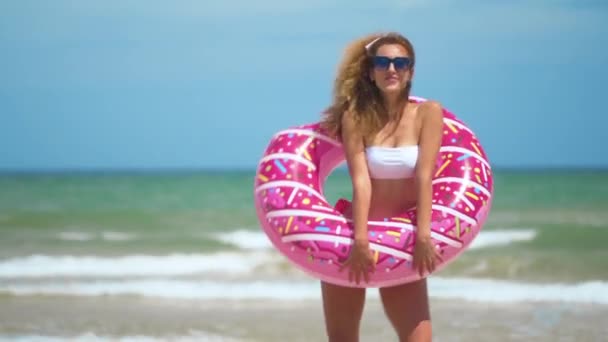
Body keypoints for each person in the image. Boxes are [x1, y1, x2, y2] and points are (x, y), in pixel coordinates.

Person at [319, 32, 444, 342]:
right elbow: (360, 181)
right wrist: (359, 240)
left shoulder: (428, 113)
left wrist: (423, 235)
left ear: (411, 71)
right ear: (371, 71)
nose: (392, 69)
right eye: (383, 62)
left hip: (402, 238)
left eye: (401, 62)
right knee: (342, 338)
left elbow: (424, 176)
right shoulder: (355, 117)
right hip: (352, 236)